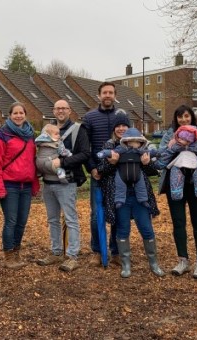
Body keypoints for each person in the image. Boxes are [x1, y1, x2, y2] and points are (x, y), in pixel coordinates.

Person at [156, 105, 197, 280]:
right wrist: (171, 146)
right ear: (175, 119)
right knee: (178, 222)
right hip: (174, 183)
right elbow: (161, 157)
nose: (183, 120)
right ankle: (182, 260)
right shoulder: (169, 135)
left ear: (191, 117)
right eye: (179, 117)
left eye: (186, 116)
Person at [97, 115, 163, 278]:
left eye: (124, 126)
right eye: (118, 126)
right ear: (114, 129)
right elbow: (101, 171)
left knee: (146, 229)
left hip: (140, 196)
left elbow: (153, 170)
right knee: (122, 229)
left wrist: (147, 163)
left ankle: (153, 263)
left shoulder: (142, 148)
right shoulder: (111, 146)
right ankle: (125, 263)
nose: (121, 128)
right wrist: (112, 163)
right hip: (120, 196)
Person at [36, 100, 89, 272]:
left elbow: (85, 154)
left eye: (64, 108)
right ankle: (56, 252)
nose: (60, 111)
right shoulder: (46, 131)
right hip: (48, 183)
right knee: (52, 220)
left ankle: (72, 255)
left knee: (70, 219)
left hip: (67, 182)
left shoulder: (78, 130)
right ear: (53, 110)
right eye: (57, 108)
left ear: (69, 111)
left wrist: (63, 162)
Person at [0, 102, 39, 270]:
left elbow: (33, 162)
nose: (18, 116)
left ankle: (17, 251)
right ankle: (8, 254)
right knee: (11, 221)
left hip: (26, 184)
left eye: (21, 113)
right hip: (9, 184)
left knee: (22, 221)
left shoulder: (30, 135)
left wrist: (34, 183)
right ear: (9, 115)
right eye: (15, 113)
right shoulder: (3, 135)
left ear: (25, 115)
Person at [83, 81, 125, 266]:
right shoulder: (90, 117)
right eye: (104, 92)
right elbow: (85, 147)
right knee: (96, 213)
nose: (108, 95)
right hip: (98, 173)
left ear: (115, 95)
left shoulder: (122, 116)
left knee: (118, 210)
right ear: (99, 95)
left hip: (119, 173)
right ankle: (97, 251)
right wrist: (92, 168)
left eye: (111, 92)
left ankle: (115, 251)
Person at [97, 127, 154, 208]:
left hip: (137, 173)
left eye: (137, 142)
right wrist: (104, 154)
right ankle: (119, 200)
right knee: (120, 185)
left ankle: (143, 200)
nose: (121, 128)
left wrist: (154, 156)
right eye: (118, 126)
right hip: (121, 174)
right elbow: (111, 153)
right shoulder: (120, 148)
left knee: (141, 185)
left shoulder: (141, 151)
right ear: (126, 141)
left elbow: (151, 157)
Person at [156, 125, 197, 201]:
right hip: (178, 165)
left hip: (195, 166)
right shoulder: (176, 145)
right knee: (175, 175)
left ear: (189, 140)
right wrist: (161, 163)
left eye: (183, 139)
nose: (180, 140)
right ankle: (176, 193)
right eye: (179, 138)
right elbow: (168, 153)